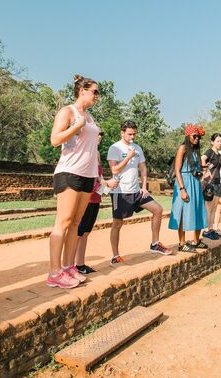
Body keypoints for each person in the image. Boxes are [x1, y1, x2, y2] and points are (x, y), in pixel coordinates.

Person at [47, 75, 100, 289]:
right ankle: (54, 272)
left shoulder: (90, 116)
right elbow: (54, 140)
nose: (98, 95)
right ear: (82, 91)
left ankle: (68, 267)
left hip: (88, 174)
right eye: (94, 91)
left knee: (76, 224)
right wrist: (76, 125)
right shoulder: (68, 112)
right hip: (69, 172)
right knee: (64, 221)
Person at [108, 120, 173, 263]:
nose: (132, 137)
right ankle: (115, 255)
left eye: (134, 134)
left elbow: (143, 168)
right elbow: (114, 169)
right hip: (120, 192)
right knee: (117, 223)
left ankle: (155, 243)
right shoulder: (115, 148)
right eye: (129, 134)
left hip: (137, 191)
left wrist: (144, 187)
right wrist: (129, 157)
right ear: (122, 133)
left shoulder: (137, 148)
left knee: (158, 209)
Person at [72, 130, 119, 275]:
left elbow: (98, 176)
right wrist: (106, 183)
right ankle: (69, 266)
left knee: (86, 232)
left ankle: (80, 264)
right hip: (84, 196)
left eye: (100, 135)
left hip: (95, 196)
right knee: (77, 233)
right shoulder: (84, 152)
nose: (99, 137)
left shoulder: (97, 154)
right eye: (96, 134)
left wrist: (106, 184)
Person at [169, 123, 207, 252]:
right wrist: (182, 189)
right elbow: (177, 170)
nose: (197, 139)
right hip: (184, 182)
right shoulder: (183, 148)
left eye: (198, 137)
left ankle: (196, 241)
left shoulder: (195, 151)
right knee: (182, 211)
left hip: (195, 182)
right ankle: (181, 243)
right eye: (194, 136)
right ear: (188, 136)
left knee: (198, 210)